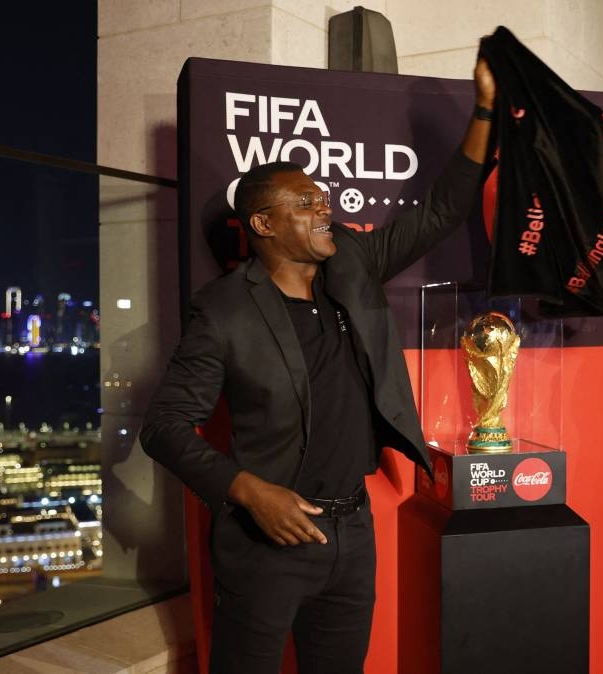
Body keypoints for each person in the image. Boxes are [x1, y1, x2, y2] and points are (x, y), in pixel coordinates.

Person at [139, 57, 495, 674]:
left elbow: (443, 209)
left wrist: (485, 108)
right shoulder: (223, 310)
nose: (323, 208)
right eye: (305, 203)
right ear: (263, 224)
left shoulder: (352, 263)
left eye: (323, 198)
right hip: (265, 543)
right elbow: (163, 426)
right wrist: (249, 493)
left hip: (352, 533)